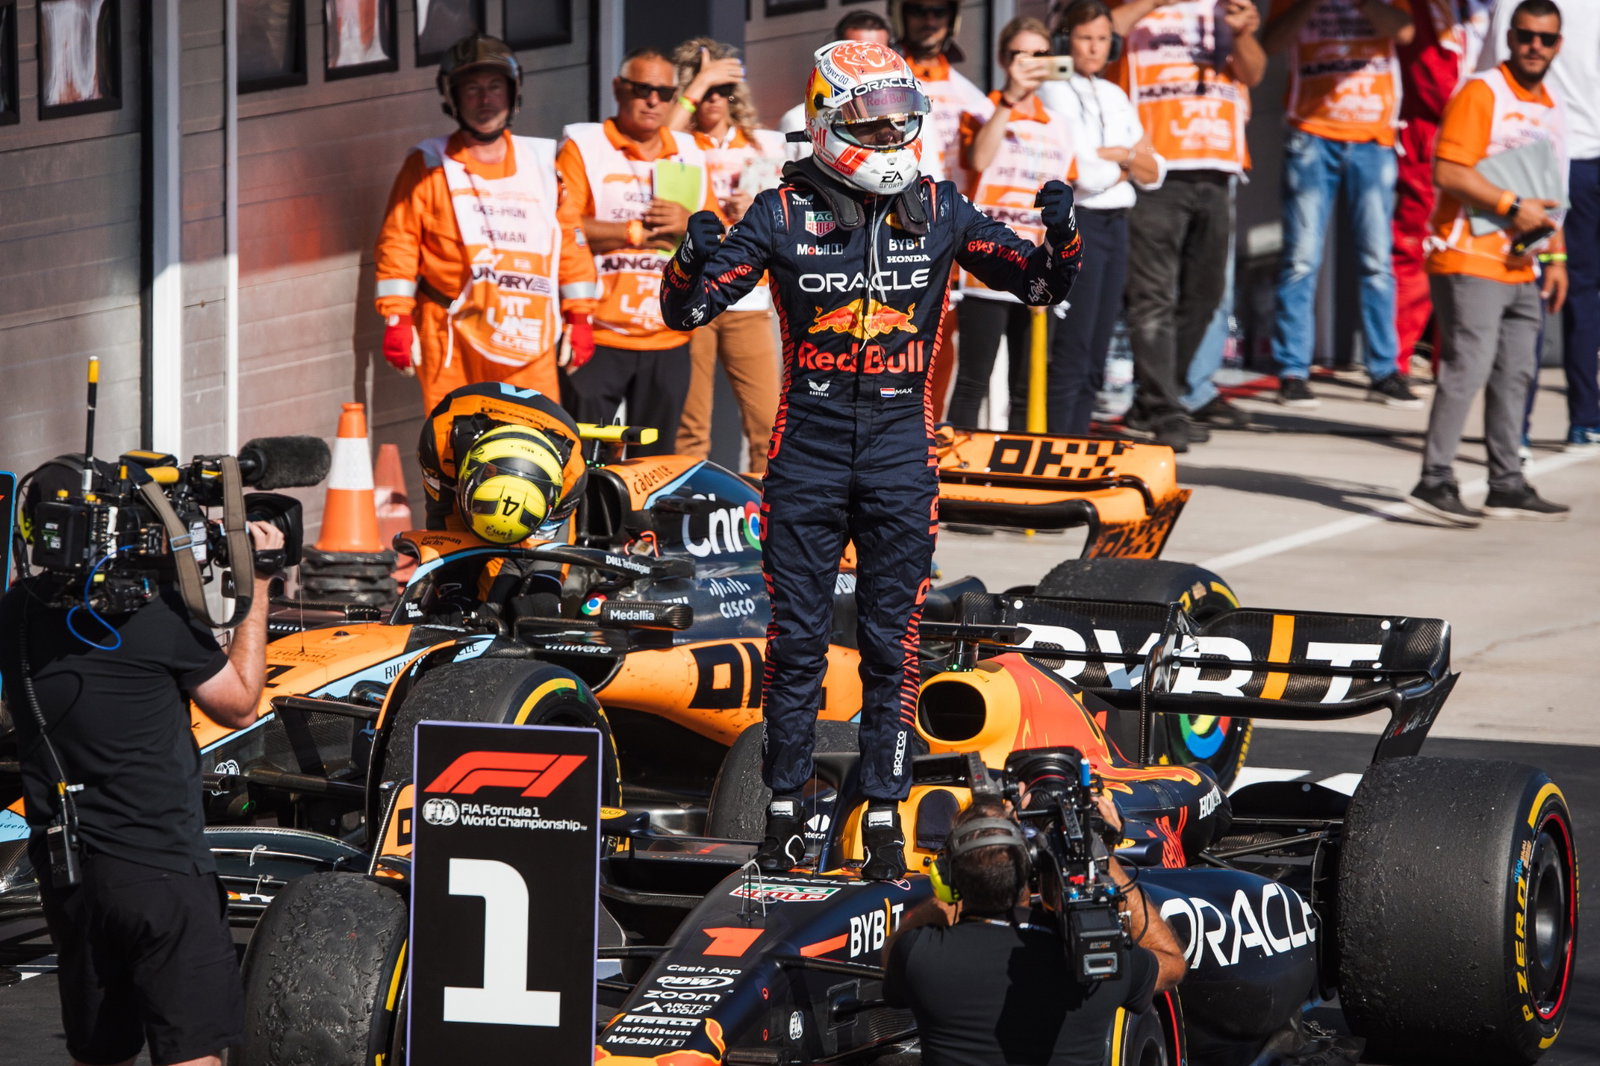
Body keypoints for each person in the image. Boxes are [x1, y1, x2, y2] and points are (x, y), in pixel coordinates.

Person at [660, 40, 1082, 881]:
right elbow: (688, 310)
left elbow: (1038, 287)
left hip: (900, 457)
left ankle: (886, 813)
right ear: (825, 119)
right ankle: (785, 809)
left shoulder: (943, 205)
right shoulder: (779, 212)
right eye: (870, 118)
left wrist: (1064, 237)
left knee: (896, 644)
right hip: (806, 456)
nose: (890, 133)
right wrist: (688, 253)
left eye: (900, 117)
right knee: (799, 643)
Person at [0, 482, 284, 1066]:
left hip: (67, 872)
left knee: (102, 1051)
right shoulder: (155, 621)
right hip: (161, 868)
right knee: (193, 1050)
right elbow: (239, 704)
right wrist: (255, 588)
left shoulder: (15, 614)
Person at [374, 34, 598, 415]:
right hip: (451, 334)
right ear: (453, 98)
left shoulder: (543, 166)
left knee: (537, 441)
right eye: (472, 89)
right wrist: (397, 317)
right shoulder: (427, 167)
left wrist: (580, 315)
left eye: (495, 87)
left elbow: (569, 245)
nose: (485, 100)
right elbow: (399, 244)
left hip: (528, 334)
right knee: (453, 450)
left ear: (513, 94)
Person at [1409, 0, 1570, 525]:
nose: (1534, 47)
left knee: (1517, 373)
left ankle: (1507, 483)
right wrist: (1508, 206)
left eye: (1545, 39)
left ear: (1558, 44)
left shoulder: (1551, 105)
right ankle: (1434, 478)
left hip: (1523, 262)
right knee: (1468, 368)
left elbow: (1551, 193)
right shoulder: (1483, 92)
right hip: (1467, 253)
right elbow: (1448, 172)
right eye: (1525, 35)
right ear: (1511, 37)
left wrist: (1558, 257)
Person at [882, 796, 1187, 1066]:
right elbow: (1172, 963)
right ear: (1031, 870)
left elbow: (893, 961)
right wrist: (1101, 859)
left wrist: (960, 874)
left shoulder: (920, 956)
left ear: (947, 878)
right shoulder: (1099, 959)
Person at [1109, 0, 1267, 451]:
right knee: (1153, 297)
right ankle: (1162, 409)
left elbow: (1254, 73)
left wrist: (1241, 33)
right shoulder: (1137, 8)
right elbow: (1103, 36)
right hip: (1157, 169)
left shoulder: (1224, 9)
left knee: (1206, 294)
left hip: (1217, 166)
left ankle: (1156, 399)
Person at [555, 48, 721, 456]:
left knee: (654, 467)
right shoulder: (584, 145)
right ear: (618, 88)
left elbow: (722, 237)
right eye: (643, 89)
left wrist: (688, 225)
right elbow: (562, 227)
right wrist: (634, 232)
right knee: (582, 462)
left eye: (664, 93)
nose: (653, 101)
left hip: (667, 338)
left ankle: (640, 524)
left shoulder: (690, 152)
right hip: (599, 334)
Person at [1263, 0, 1420, 410]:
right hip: (1311, 133)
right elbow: (1270, 42)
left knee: (1376, 261)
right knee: (1301, 259)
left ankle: (1385, 368)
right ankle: (1293, 371)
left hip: (1373, 135)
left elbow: (1405, 32)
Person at [1039, 0, 1165, 434]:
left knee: (1098, 351)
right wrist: (1131, 162)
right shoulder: (1053, 89)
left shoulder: (1114, 93)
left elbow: (1156, 172)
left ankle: (1079, 442)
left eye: (1101, 39)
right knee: (1074, 348)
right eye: (1084, 38)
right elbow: (1086, 175)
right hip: (1082, 222)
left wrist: (1124, 157)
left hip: (1117, 225)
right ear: (1064, 41)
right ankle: (1059, 444)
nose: (1094, 48)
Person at [947, 17, 1079, 430]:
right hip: (988, 257)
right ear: (1005, 58)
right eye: (1022, 54)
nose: (1031, 63)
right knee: (973, 381)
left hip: (1038, 260)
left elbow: (1067, 189)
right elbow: (979, 161)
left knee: (1027, 384)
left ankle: (1021, 474)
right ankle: (955, 475)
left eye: (1041, 55)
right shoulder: (982, 108)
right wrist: (1008, 101)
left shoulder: (1059, 124)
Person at [666, 38, 785, 473]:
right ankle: (683, 519)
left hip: (748, 297)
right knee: (691, 423)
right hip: (692, 288)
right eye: (703, 91)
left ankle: (765, 518)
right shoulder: (679, 141)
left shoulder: (767, 145)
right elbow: (663, 140)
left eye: (721, 90)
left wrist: (755, 207)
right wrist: (700, 82)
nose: (712, 100)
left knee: (767, 421)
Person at [1489, 0, 1600, 449]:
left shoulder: (1517, 6)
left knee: (1538, 291)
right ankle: (1583, 420)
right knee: (1574, 292)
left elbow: (1494, 71)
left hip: (1551, 153)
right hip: (1547, 153)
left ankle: (1523, 429)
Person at [891, 0, 995, 421]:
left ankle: (925, 440)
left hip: (946, 233)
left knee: (938, 346)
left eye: (939, 11)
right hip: (889, 226)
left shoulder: (972, 95)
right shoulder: (891, 75)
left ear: (954, 19)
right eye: (918, 9)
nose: (929, 20)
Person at [1393, 2, 1498, 383]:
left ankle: (1455, 362)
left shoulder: (1503, 9)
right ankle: (1398, 359)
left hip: (1490, 143)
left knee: (1475, 251)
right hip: (1430, 142)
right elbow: (1430, 79)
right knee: (1417, 248)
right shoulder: (1424, 8)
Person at [779, 11, 894, 162]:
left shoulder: (912, 116)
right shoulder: (796, 120)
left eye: (879, 55)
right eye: (857, 54)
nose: (870, 63)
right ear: (832, 53)